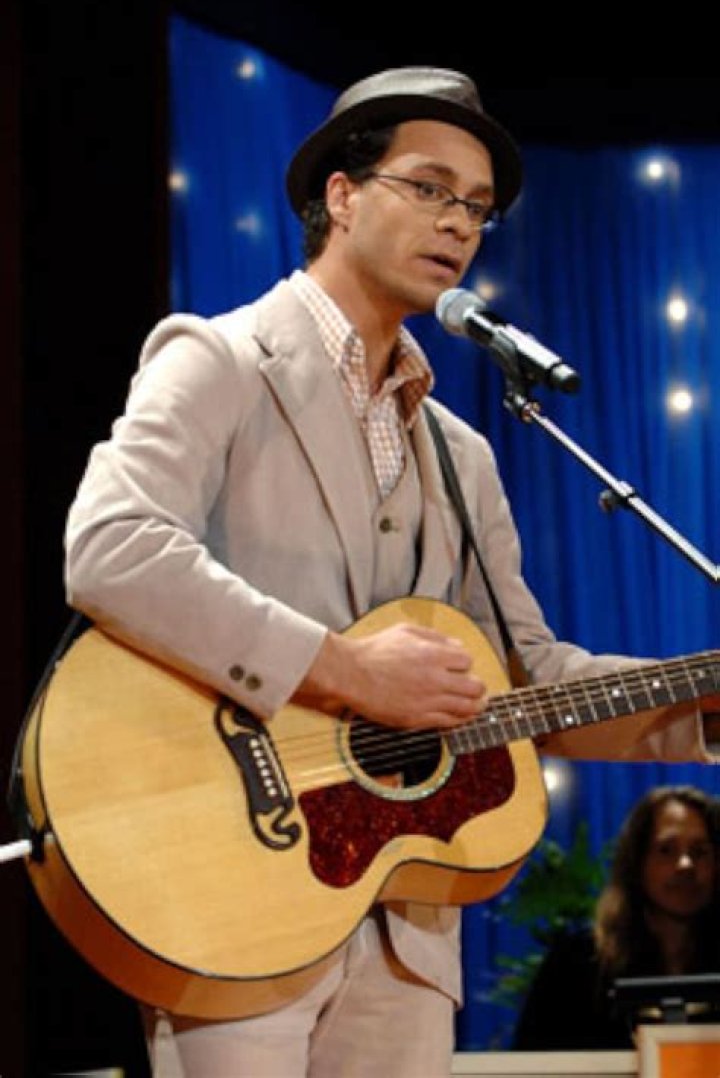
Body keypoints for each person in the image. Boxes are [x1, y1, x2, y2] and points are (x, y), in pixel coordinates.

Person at [63, 66, 719, 1077]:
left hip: (409, 930)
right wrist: (349, 671)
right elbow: (113, 547)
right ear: (341, 194)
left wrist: (701, 708)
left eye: (477, 208)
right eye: (429, 187)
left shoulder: (463, 453)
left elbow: (525, 680)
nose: (457, 223)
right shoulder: (219, 360)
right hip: (235, 890)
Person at [513, 785, 720, 1051]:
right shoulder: (576, 962)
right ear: (636, 863)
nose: (685, 865)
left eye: (700, 852)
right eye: (666, 850)